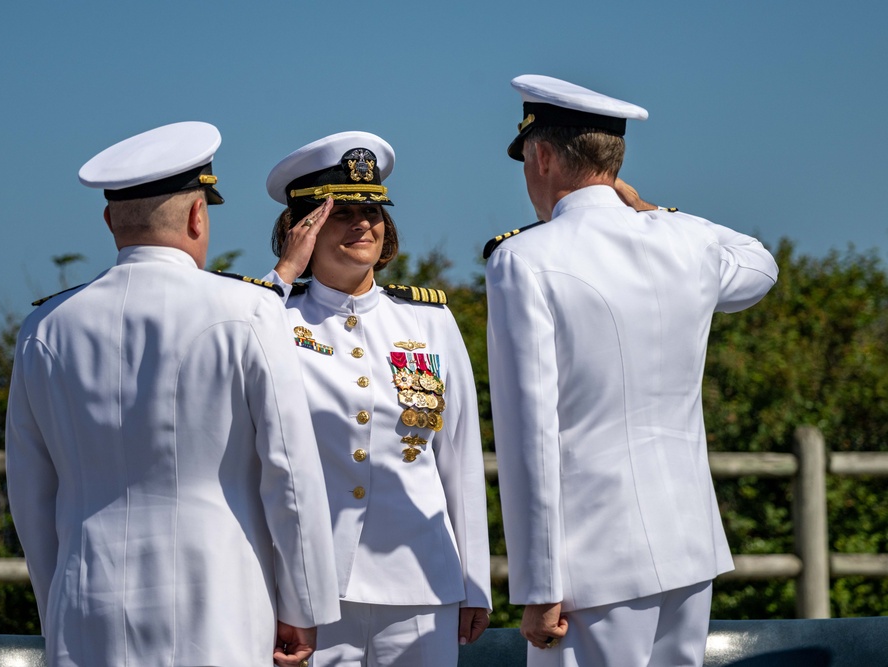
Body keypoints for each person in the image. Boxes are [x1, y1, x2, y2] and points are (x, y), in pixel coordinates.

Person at [5, 121, 340, 667]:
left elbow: (30, 492)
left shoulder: (44, 328)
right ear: (196, 215)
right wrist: (304, 607)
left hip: (85, 601)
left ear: (111, 219)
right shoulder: (248, 311)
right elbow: (291, 474)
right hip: (219, 603)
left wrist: (57, 605)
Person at [484, 75, 779, 667]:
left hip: (592, 567)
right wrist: (648, 209)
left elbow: (531, 436)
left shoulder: (524, 259)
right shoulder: (688, 243)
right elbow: (759, 264)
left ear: (541, 155)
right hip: (688, 546)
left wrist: (539, 587)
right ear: (612, 160)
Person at [261, 130, 492, 666]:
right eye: (340, 213)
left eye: (374, 212)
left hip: (422, 581)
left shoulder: (428, 320)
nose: (363, 223)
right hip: (311, 589)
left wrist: (473, 580)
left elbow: (457, 455)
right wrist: (280, 278)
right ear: (302, 227)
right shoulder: (271, 316)